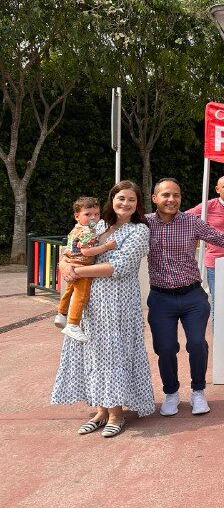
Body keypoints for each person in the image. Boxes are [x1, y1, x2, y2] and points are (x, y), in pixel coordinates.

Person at [52, 181, 154, 437]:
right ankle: (100, 411)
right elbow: (72, 248)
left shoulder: (139, 230)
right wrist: (64, 263)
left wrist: (77, 271)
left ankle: (116, 413)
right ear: (112, 199)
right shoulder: (98, 225)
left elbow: (118, 267)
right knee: (94, 353)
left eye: (131, 199)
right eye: (121, 198)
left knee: (114, 354)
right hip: (89, 302)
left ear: (138, 204)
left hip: (118, 302)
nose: (125, 203)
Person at [146, 178, 224, 417]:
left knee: (197, 343)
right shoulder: (144, 224)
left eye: (176, 195)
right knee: (165, 348)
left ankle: (198, 391)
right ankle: (171, 393)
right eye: (166, 195)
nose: (171, 200)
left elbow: (221, 238)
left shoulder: (191, 221)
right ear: (154, 198)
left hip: (192, 297)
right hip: (161, 298)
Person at [55, 196, 117, 342]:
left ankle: (61, 314)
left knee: (69, 290)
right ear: (77, 216)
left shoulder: (76, 228)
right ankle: (73, 324)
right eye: (88, 214)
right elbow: (86, 252)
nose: (93, 218)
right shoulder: (87, 232)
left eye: (97, 214)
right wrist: (106, 247)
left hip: (70, 262)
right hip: (81, 266)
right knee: (81, 295)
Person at [186, 175, 224, 315]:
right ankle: (217, 330)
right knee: (218, 304)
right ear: (217, 189)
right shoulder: (207, 206)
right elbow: (185, 218)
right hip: (216, 264)